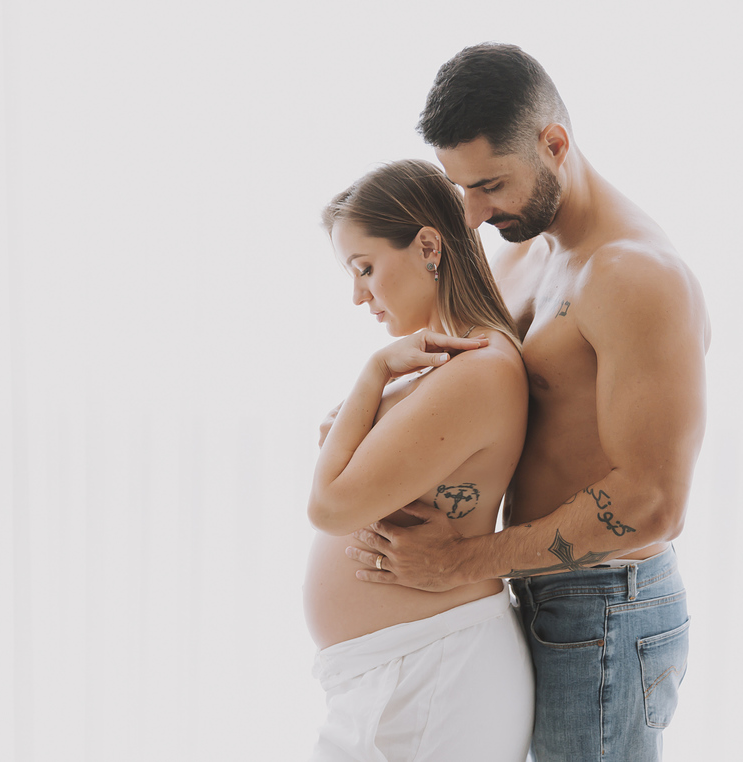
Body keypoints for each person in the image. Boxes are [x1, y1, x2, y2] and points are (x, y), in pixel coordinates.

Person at [344, 44, 711, 761]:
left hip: (608, 604)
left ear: (555, 144)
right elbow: (476, 396)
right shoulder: (525, 253)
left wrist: (461, 562)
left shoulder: (636, 277)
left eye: (491, 185)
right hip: (544, 593)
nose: (475, 213)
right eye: (461, 189)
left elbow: (654, 501)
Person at [303, 158, 534, 761]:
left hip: (438, 677)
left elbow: (329, 507)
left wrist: (372, 374)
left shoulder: (479, 371)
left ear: (429, 247)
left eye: (365, 268)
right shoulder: (447, 369)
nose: (359, 295)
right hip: (411, 671)